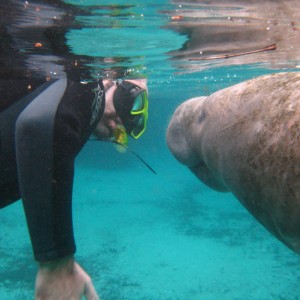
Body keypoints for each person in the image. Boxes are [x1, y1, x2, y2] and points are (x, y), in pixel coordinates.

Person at [0, 76, 149, 299]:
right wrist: (57, 264)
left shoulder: (64, 100)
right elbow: (38, 123)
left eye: (124, 126)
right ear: (112, 80)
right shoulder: (88, 86)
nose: (116, 124)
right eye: (127, 101)